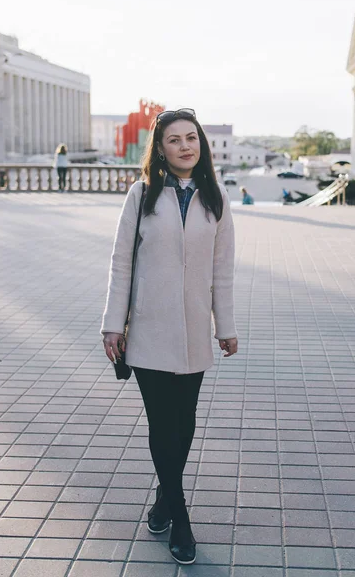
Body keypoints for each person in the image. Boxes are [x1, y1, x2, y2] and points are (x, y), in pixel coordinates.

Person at [101, 108, 238, 565]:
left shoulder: (215, 198)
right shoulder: (142, 195)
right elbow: (121, 262)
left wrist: (227, 327)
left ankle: (162, 500)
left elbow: (223, 272)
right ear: (160, 149)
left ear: (202, 145)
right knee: (163, 424)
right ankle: (180, 517)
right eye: (174, 140)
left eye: (191, 138)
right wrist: (112, 324)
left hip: (195, 330)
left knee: (185, 422)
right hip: (149, 331)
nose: (185, 146)